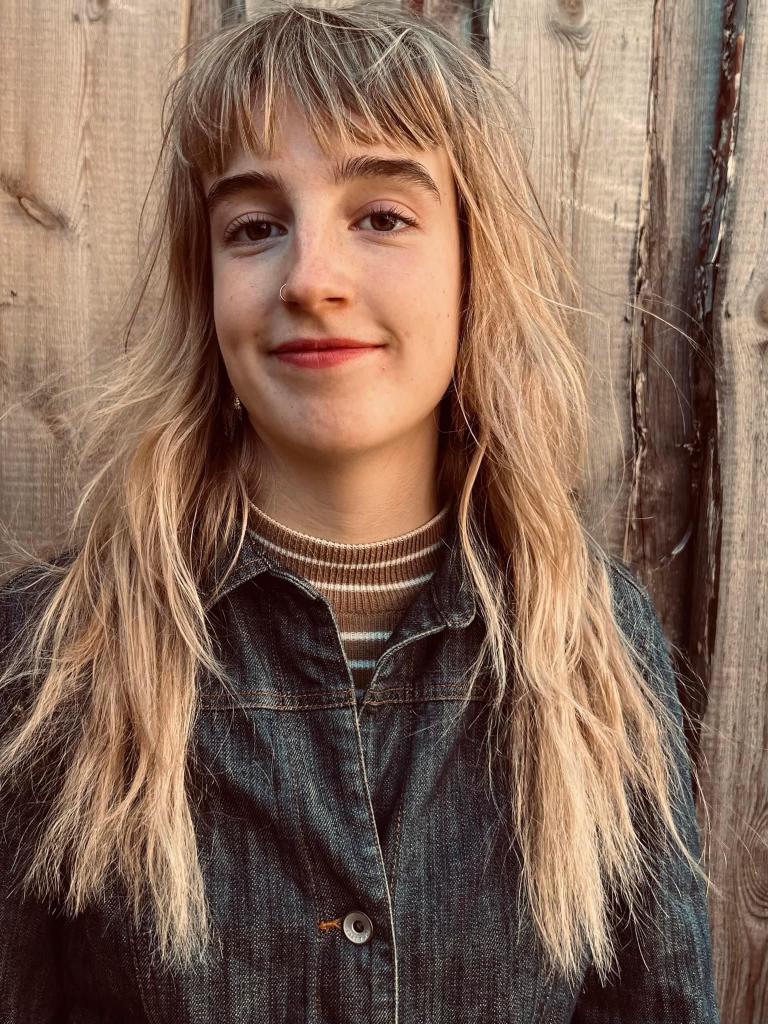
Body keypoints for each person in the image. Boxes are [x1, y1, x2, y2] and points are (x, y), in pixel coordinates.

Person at [0, 1, 721, 1021]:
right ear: (204, 287)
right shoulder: (54, 660)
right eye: (255, 228)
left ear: (474, 263)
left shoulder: (592, 645)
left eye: (381, 215)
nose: (311, 280)